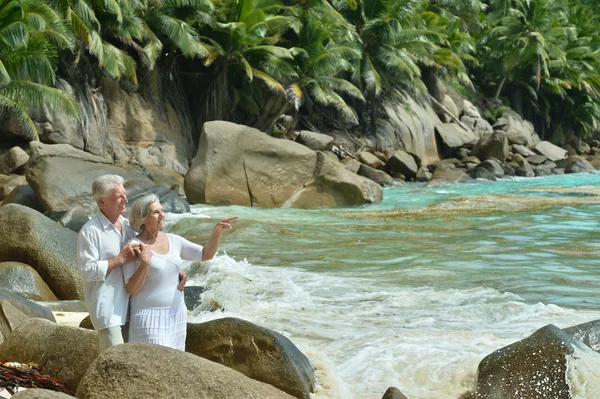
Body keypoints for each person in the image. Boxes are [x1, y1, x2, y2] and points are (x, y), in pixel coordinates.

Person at [123, 194, 237, 350]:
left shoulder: (174, 240)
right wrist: (144, 263)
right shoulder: (134, 246)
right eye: (156, 212)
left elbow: (205, 254)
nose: (162, 215)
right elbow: (131, 289)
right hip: (148, 317)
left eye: (162, 210)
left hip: (176, 315)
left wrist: (217, 231)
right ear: (142, 218)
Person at [76, 174, 138, 351]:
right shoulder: (90, 232)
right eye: (119, 196)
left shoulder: (128, 225)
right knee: (116, 362)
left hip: (132, 305)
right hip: (108, 309)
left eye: (125, 194)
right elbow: (86, 271)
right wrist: (119, 259)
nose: (125, 199)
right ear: (102, 202)